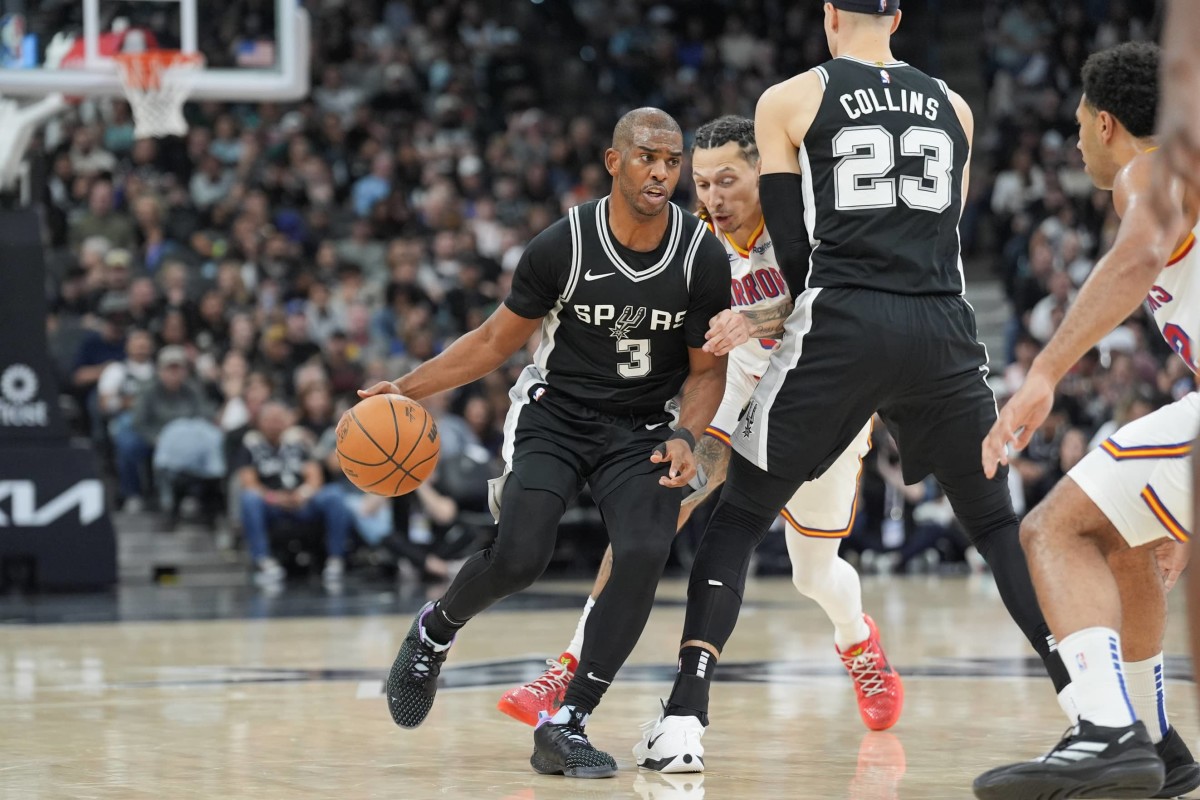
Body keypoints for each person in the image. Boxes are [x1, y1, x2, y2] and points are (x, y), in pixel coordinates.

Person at [633, 0, 1076, 773]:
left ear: (830, 14)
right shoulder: (956, 106)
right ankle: (1090, 711)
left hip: (842, 320)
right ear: (897, 16)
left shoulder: (791, 98)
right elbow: (945, 231)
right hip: (942, 325)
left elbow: (796, 248)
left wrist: (825, 322)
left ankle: (683, 722)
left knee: (736, 520)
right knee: (998, 528)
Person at [495, 116, 902, 752]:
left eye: (728, 181)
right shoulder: (690, 236)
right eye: (703, 182)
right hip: (733, 388)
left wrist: (752, 315)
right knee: (661, 507)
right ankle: (567, 665)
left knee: (812, 572)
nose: (712, 197)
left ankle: (857, 641)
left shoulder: (812, 219)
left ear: (763, 177)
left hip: (819, 396)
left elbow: (834, 297)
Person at [366, 107, 730, 778]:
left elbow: (708, 371)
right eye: (648, 156)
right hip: (554, 415)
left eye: (673, 160)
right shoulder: (563, 245)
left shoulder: (700, 255)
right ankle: (432, 634)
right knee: (522, 555)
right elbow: (491, 343)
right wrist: (406, 390)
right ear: (614, 162)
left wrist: (688, 433)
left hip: (643, 426)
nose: (661, 170)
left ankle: (567, 721)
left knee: (646, 549)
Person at [973, 42, 1200, 800]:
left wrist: (1043, 371)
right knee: (1115, 533)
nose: (1073, 142)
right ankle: (1155, 744)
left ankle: (1106, 732)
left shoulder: (1152, 168)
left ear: (1106, 124)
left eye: (1078, 127)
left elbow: (1139, 253)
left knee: (1051, 530)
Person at [235, 400, 352, 587]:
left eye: (278, 419)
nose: (275, 424)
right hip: (271, 504)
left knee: (334, 495)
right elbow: (249, 482)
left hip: (302, 502)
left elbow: (314, 475)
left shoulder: (297, 442)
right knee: (249, 499)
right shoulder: (250, 445)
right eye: (270, 419)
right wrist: (274, 498)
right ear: (260, 422)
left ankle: (335, 559)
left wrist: (303, 494)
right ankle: (264, 562)